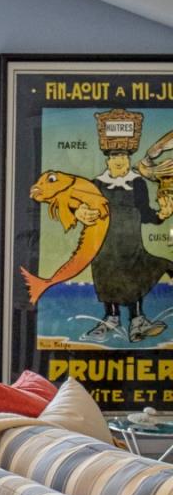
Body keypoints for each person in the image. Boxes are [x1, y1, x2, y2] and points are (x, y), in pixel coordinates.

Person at [75, 110, 173, 343]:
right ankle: (111, 318)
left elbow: (147, 213)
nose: (121, 162)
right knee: (108, 277)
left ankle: (137, 321)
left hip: (132, 245)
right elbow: (77, 205)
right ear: (108, 159)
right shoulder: (96, 183)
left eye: (125, 157)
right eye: (116, 157)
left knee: (136, 277)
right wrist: (79, 212)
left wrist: (162, 214)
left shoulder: (138, 183)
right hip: (105, 245)